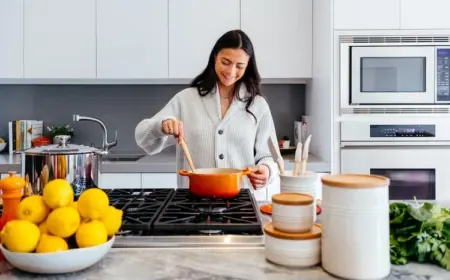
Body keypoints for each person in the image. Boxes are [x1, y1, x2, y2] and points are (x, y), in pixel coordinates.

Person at [135, 29, 279, 191]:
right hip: (193, 204)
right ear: (214, 57)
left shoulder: (258, 105)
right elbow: (143, 139)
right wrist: (161, 126)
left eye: (240, 66)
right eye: (225, 62)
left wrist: (266, 170)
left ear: (248, 66)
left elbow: (269, 156)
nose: (231, 72)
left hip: (243, 204)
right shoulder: (186, 99)